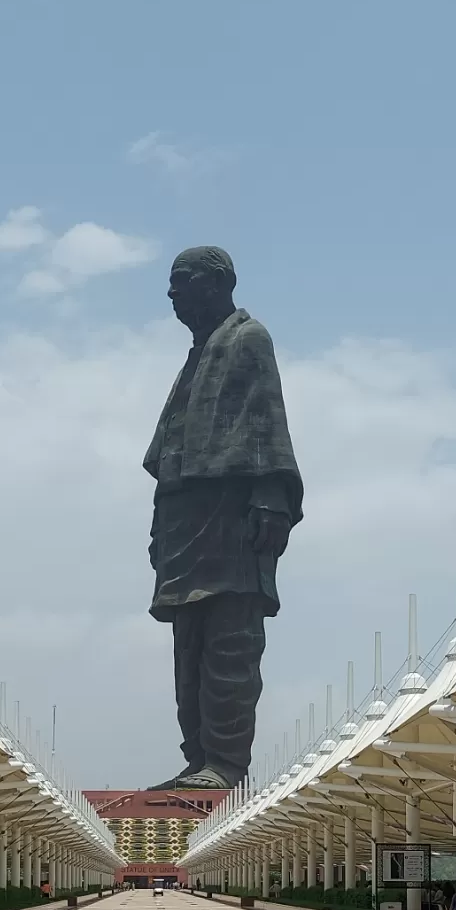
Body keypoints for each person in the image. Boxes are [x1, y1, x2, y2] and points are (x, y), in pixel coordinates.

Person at [145, 247, 304, 789]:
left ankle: (227, 763)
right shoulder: (196, 355)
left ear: (217, 284)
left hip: (232, 515)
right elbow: (168, 450)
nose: (172, 293)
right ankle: (199, 758)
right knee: (188, 644)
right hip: (184, 521)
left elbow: (266, 421)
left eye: (182, 281)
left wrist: (270, 498)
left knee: (230, 639)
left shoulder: (247, 338)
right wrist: (158, 526)